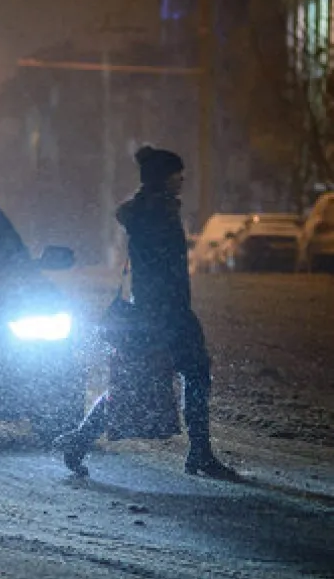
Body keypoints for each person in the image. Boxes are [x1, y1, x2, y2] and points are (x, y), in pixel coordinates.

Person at [55, 147, 238, 480]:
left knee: (137, 382)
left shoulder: (148, 210)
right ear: (162, 177)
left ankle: (81, 440)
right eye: (176, 173)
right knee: (188, 376)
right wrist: (172, 310)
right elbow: (163, 269)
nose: (182, 178)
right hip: (167, 313)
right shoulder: (158, 212)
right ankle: (199, 453)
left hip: (153, 311)